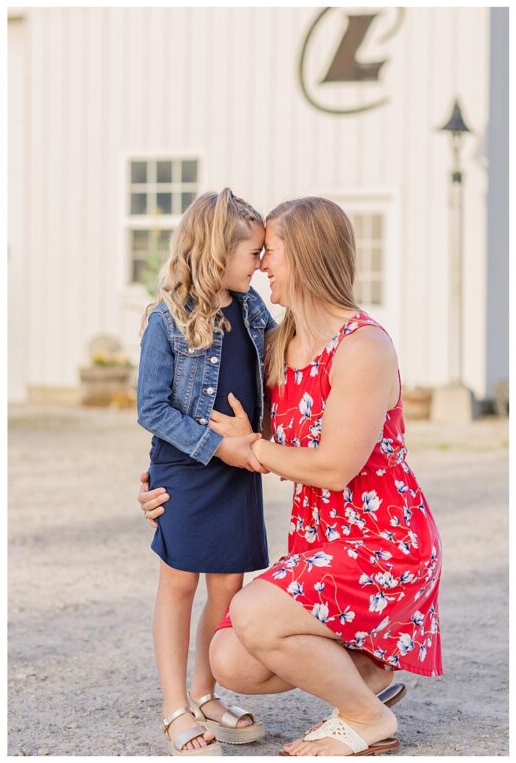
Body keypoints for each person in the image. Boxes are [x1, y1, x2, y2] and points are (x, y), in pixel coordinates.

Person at [140, 196, 442, 756]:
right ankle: (368, 674)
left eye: (269, 252)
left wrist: (250, 447)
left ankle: (364, 716)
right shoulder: (280, 343)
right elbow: (191, 407)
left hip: (382, 542)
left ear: (300, 258)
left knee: (249, 610)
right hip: (324, 541)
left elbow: (330, 467)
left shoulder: (363, 346)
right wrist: (164, 475)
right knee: (231, 658)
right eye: (256, 253)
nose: (261, 266)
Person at [137, 189, 274, 755]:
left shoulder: (250, 308)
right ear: (219, 251)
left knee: (227, 587)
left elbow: (279, 361)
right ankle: (175, 708)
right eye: (253, 253)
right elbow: (151, 407)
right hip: (191, 467)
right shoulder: (166, 318)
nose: (261, 264)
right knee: (180, 585)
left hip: (239, 468)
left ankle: (206, 692)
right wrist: (221, 446)